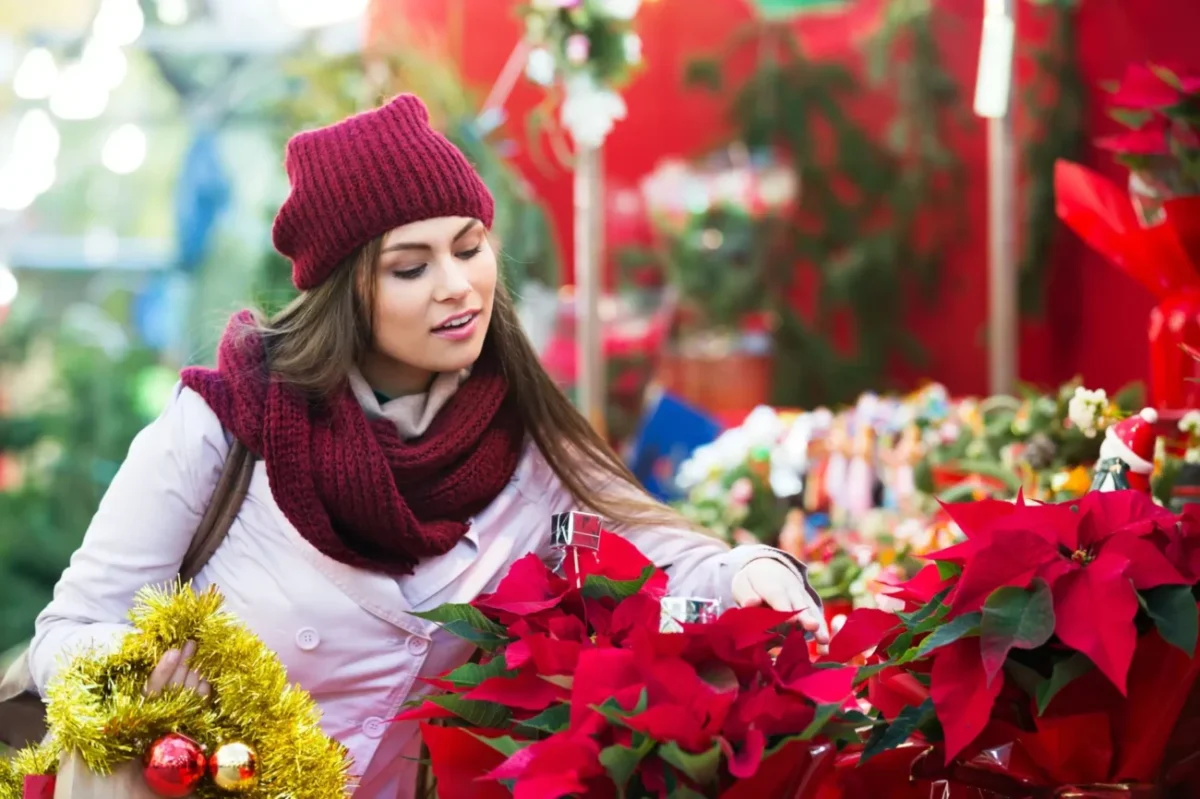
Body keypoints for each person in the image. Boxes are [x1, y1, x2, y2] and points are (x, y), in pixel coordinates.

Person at [28, 94, 826, 797]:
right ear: (348, 294)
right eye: (411, 266)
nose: (458, 285)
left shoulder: (519, 433)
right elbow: (64, 633)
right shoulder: (227, 422)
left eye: (470, 246)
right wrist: (139, 675)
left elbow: (653, 550)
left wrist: (752, 569)